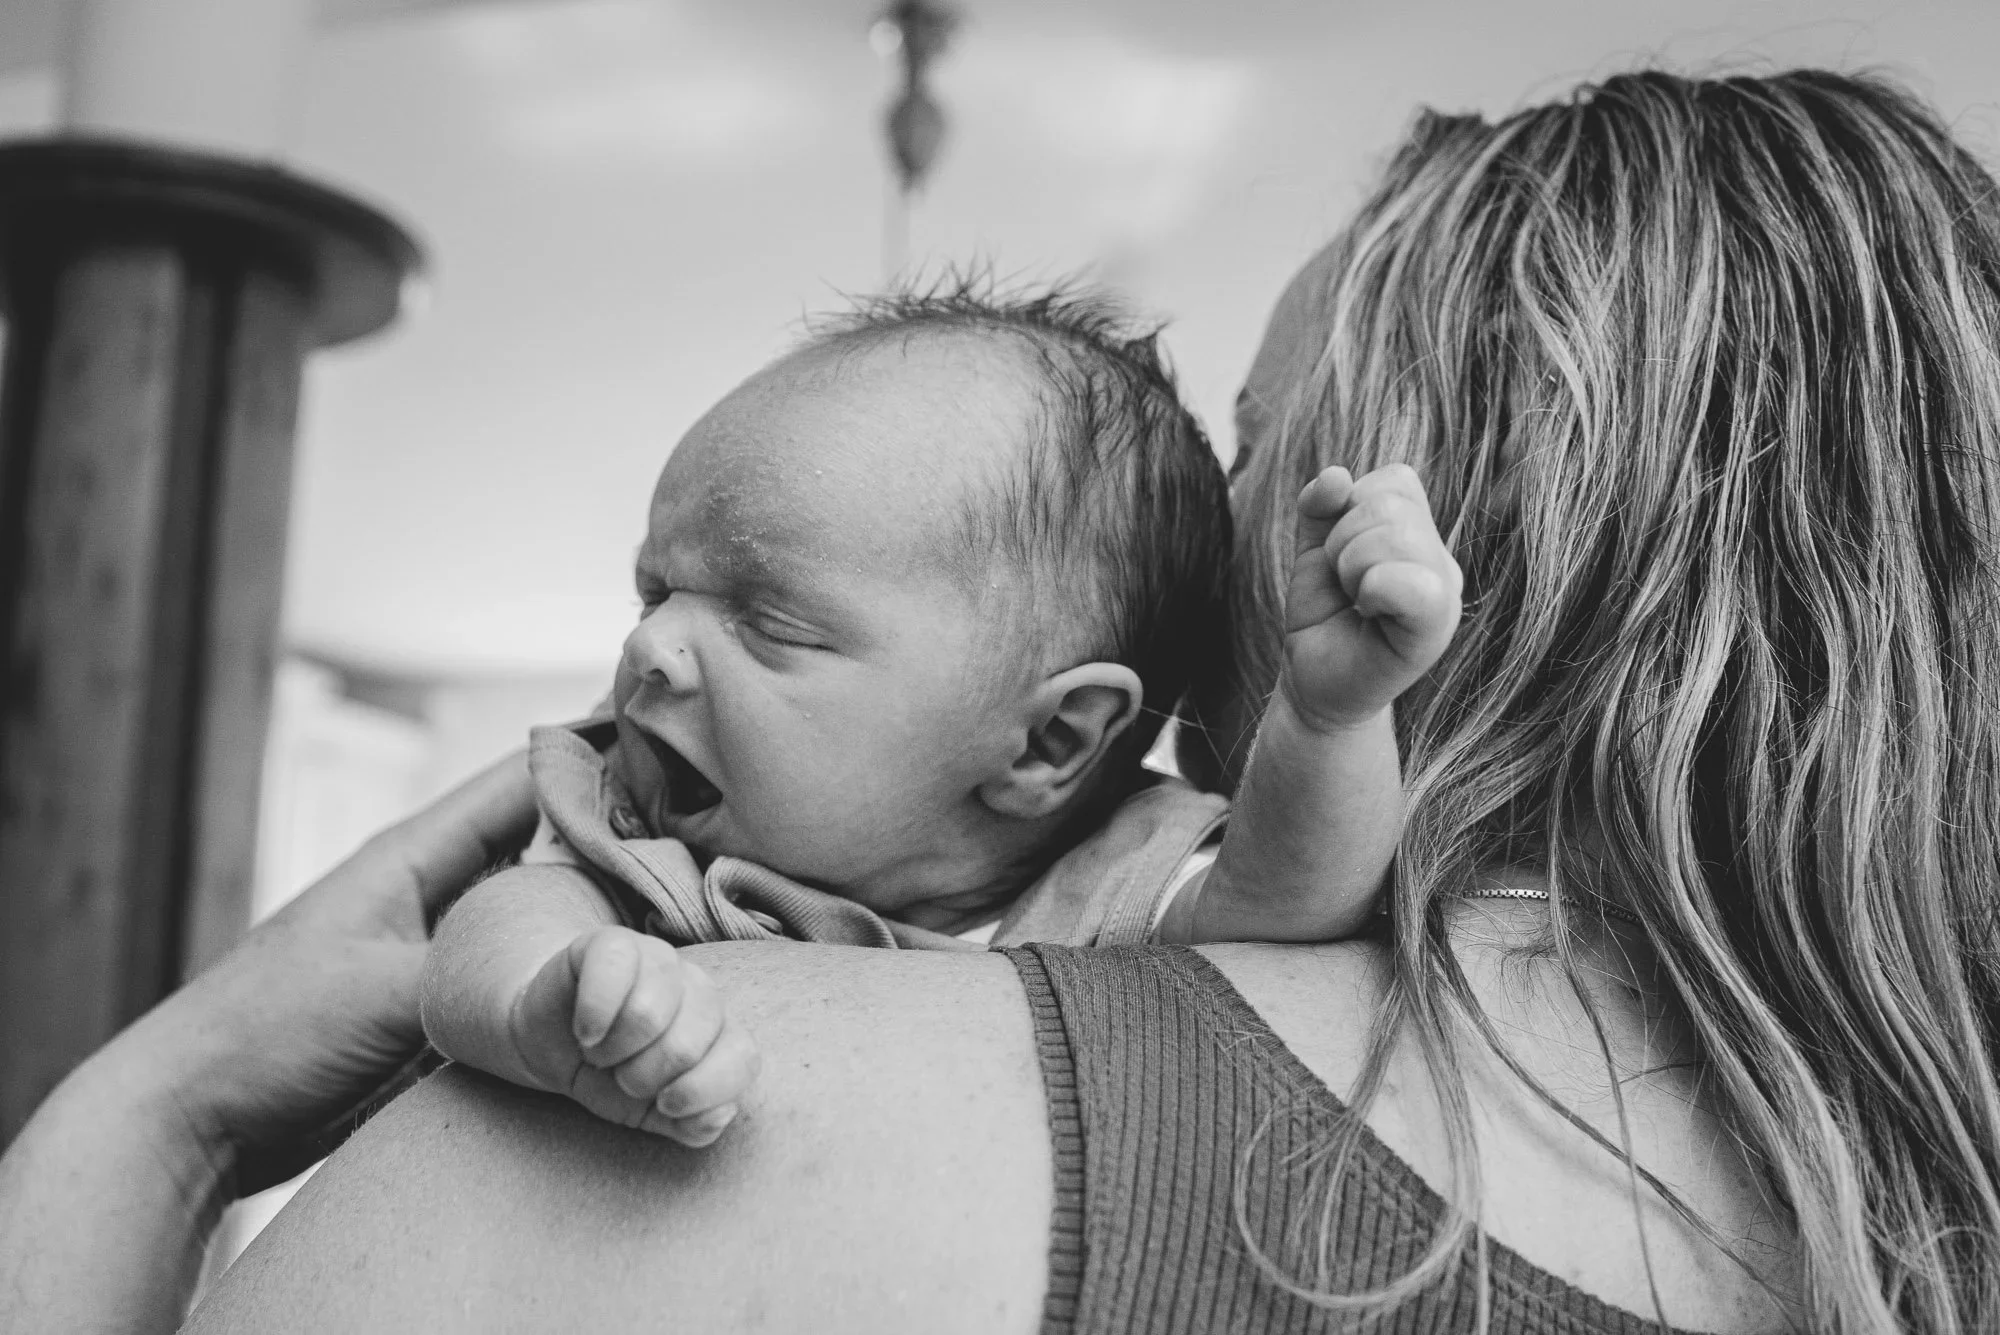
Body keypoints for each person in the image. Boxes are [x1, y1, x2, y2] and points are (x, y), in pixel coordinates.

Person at [3, 65, 1996, 1333]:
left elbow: (1264, 897)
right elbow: (516, 926)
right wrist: (530, 980)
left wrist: (161, 1105)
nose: (656, 651)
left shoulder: (668, 1140)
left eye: (1256, 444)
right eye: (652, 588)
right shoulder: (1906, 1229)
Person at [419, 288, 1460, 1145]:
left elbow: (1288, 903)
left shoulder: (1107, 885)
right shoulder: (632, 826)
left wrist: (1330, 714)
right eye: (656, 592)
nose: (652, 647)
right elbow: (491, 929)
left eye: (771, 620)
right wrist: (545, 1003)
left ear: (1048, 741)